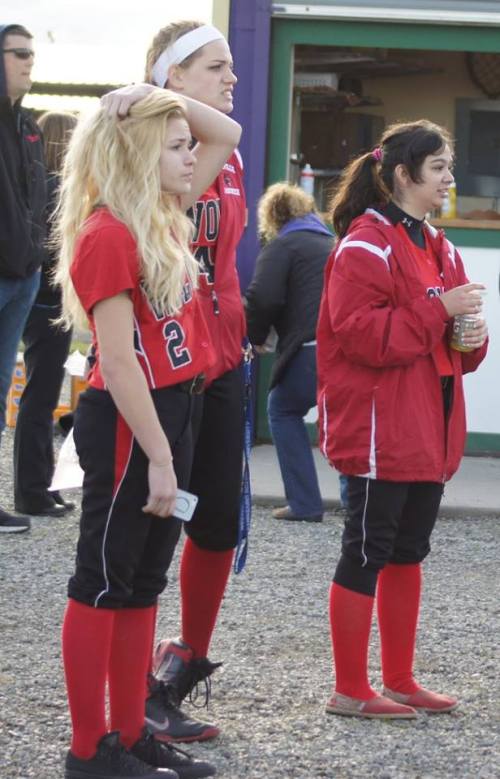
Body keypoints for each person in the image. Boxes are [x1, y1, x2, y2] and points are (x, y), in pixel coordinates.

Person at [56, 86, 240, 778]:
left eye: (187, 145)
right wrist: (161, 456)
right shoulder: (109, 232)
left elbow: (229, 129)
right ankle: (88, 750)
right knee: (102, 581)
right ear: (137, 156)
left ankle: (131, 733)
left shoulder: (164, 211)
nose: (194, 154)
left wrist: (161, 99)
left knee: (142, 582)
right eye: (175, 146)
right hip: (135, 423)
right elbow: (118, 358)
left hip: (177, 409)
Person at [101, 20, 247, 743]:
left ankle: (181, 662)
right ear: (173, 75)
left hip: (225, 352)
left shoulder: (224, 152)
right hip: (170, 360)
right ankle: (136, 695)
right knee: (156, 526)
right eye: (216, 67)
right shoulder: (147, 142)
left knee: (218, 518)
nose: (231, 77)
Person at [316, 119, 488, 719]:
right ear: (401, 175)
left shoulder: (438, 244)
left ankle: (399, 679)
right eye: (438, 167)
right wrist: (439, 309)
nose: (449, 178)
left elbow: (455, 349)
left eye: (449, 166)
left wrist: (470, 336)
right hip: (378, 429)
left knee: (409, 551)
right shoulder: (366, 243)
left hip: (425, 426)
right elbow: (361, 337)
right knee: (366, 550)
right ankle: (349, 688)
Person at [244, 182, 333, 522]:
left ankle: (305, 503)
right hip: (345, 350)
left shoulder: (282, 245)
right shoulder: (331, 243)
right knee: (340, 422)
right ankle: (358, 506)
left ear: (273, 217)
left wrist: (254, 338)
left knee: (281, 409)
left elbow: (263, 297)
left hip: (311, 348)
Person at [13, 110, 77, 518]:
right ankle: (32, 491)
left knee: (39, 396)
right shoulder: (61, 192)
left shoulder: (39, 187)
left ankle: (40, 485)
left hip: (42, 301)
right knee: (40, 397)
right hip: (51, 304)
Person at [0, 23, 46, 533]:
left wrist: (34, 259)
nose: (28, 62)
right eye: (18, 54)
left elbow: (37, 201)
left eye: (31, 54)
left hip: (23, 278)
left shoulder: (28, 126)